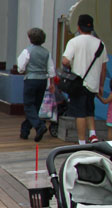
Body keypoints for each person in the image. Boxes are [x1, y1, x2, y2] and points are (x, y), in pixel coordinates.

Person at [61, 13, 106, 144]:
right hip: (93, 83)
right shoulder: (101, 44)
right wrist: (101, 85)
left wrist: (73, 63)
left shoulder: (74, 42)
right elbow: (103, 69)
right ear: (91, 28)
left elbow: (65, 61)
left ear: (79, 27)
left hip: (78, 83)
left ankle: (82, 141)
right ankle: (93, 134)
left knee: (79, 113)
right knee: (89, 109)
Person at [16, 27, 55, 142]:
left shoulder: (27, 51)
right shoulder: (46, 52)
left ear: (30, 39)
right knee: (36, 106)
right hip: (43, 80)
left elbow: (21, 68)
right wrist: (52, 83)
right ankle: (25, 130)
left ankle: (39, 126)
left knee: (28, 105)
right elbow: (51, 69)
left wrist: (24, 70)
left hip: (31, 79)